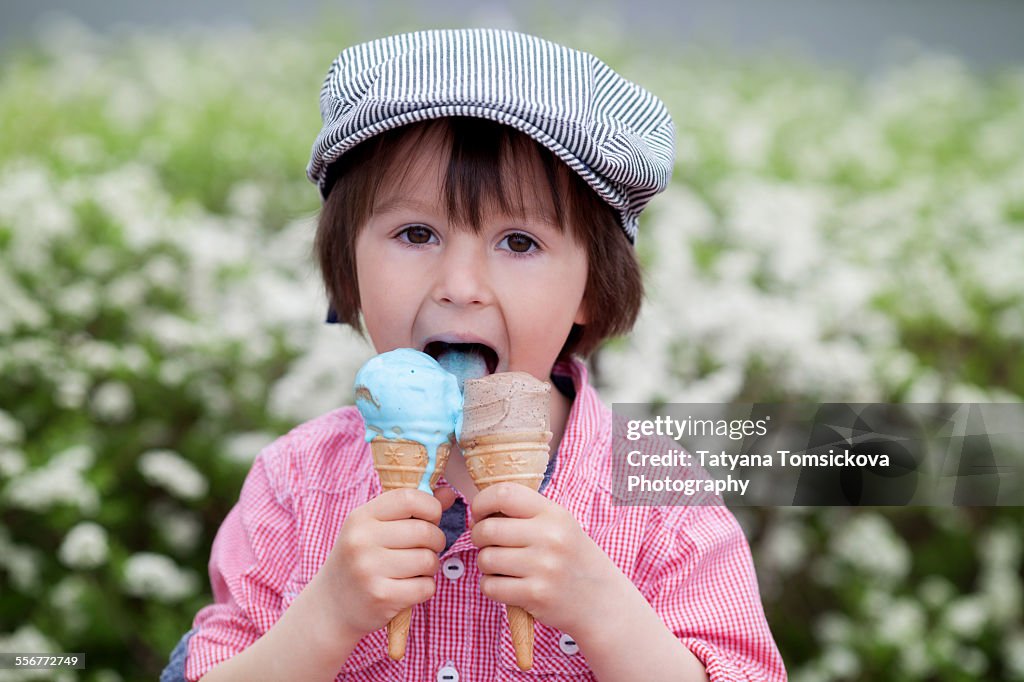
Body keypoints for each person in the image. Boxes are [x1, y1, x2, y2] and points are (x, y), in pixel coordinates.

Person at [164, 28, 786, 681]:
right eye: (416, 233)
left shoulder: (663, 504)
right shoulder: (294, 486)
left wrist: (605, 612)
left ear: (592, 291)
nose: (459, 286)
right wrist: (327, 616)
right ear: (348, 268)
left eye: (518, 243)